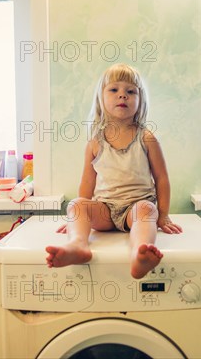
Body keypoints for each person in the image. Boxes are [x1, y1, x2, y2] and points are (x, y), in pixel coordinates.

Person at [45, 63, 182, 279]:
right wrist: (78, 218)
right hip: (105, 210)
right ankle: (78, 245)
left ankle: (140, 253)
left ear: (140, 99)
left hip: (135, 208)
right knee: (76, 205)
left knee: (147, 210)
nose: (123, 96)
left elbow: (161, 178)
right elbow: (87, 183)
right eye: (114, 90)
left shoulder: (146, 137)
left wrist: (163, 215)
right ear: (101, 97)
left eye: (130, 91)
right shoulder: (95, 142)